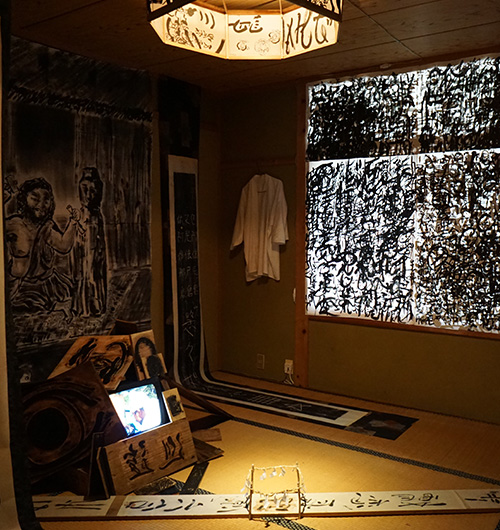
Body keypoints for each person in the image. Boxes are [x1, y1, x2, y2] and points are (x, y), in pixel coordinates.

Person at [5, 177, 79, 313]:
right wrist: (5, 197)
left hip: (46, 284)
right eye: (35, 198)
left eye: (46, 200)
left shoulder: (47, 227)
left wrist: (73, 223)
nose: (42, 204)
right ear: (24, 199)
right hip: (21, 285)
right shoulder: (14, 224)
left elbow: (64, 246)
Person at [70, 167, 107, 317]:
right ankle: (81, 305)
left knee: (92, 269)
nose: (88, 195)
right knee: (79, 268)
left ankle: (92, 305)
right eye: (84, 190)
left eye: (92, 191)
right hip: (83, 231)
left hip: (92, 230)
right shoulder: (81, 213)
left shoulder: (96, 216)